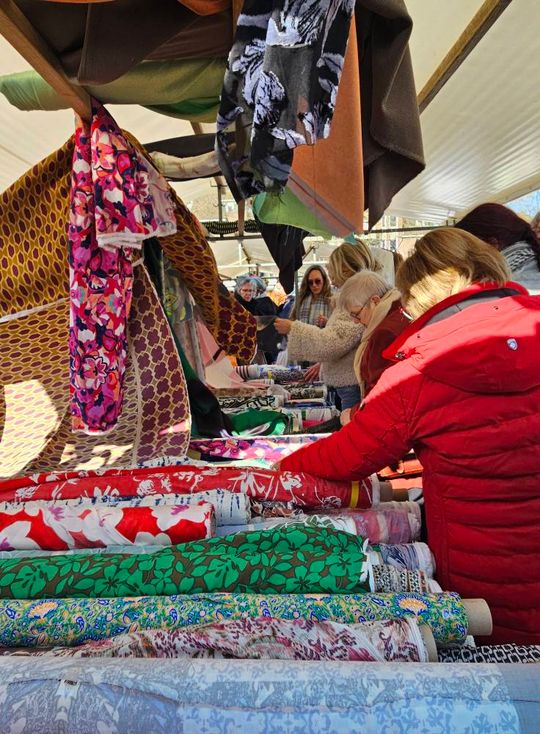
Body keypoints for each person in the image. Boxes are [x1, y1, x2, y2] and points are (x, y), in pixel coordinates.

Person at [279, 227, 540, 645]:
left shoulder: (418, 371)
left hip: (484, 585)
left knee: (503, 674)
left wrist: (278, 470)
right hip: (492, 573)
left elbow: (349, 455)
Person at [275, 241, 381, 410]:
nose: (331, 278)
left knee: (350, 422)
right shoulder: (355, 295)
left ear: (344, 270)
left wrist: (293, 328)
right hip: (348, 381)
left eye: (332, 271)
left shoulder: (356, 298)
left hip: (351, 384)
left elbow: (335, 341)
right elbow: (344, 338)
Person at [337, 270, 408, 424]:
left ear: (375, 301)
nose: (355, 321)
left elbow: (383, 394)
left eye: (356, 314)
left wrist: (353, 415)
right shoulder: (398, 314)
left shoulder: (385, 333)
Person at [455, 202, 540, 294]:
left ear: (493, 243)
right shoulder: (522, 269)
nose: (466, 257)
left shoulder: (523, 280)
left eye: (469, 248)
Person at [235, 276, 278, 363]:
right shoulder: (236, 306)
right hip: (243, 346)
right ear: (239, 291)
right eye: (245, 290)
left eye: (251, 290)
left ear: (255, 292)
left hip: (259, 346)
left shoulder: (256, 305)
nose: (248, 293)